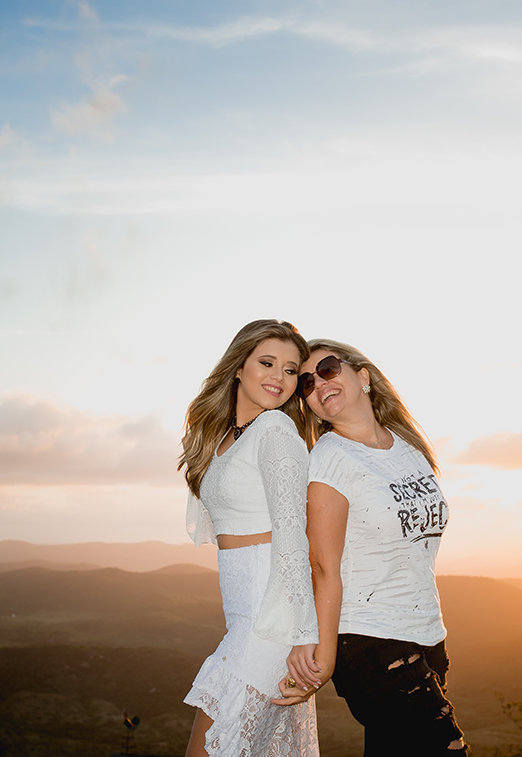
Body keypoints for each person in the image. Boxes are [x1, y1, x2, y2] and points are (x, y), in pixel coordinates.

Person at [279, 338, 468, 755]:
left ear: (362, 376)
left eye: (327, 368)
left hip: (428, 636)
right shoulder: (331, 457)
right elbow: (322, 565)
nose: (317, 383)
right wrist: (324, 658)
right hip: (368, 639)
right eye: (306, 382)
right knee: (445, 749)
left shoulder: (410, 450)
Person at [180, 319, 321, 757]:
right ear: (239, 366)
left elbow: (293, 534)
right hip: (244, 618)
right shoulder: (221, 437)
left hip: (272, 621)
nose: (279, 377)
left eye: (291, 369)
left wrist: (305, 636)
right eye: (267, 363)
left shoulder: (275, 431)